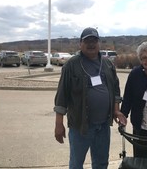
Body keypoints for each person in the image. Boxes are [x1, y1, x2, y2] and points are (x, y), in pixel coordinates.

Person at [53, 27, 126, 169]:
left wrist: (116, 111)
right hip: (80, 125)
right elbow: (62, 96)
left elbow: (115, 90)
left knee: (101, 163)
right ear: (80, 44)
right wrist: (58, 123)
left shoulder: (108, 64)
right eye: (87, 41)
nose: (91, 44)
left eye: (94, 40)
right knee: (76, 163)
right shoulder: (71, 65)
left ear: (99, 43)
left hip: (104, 125)